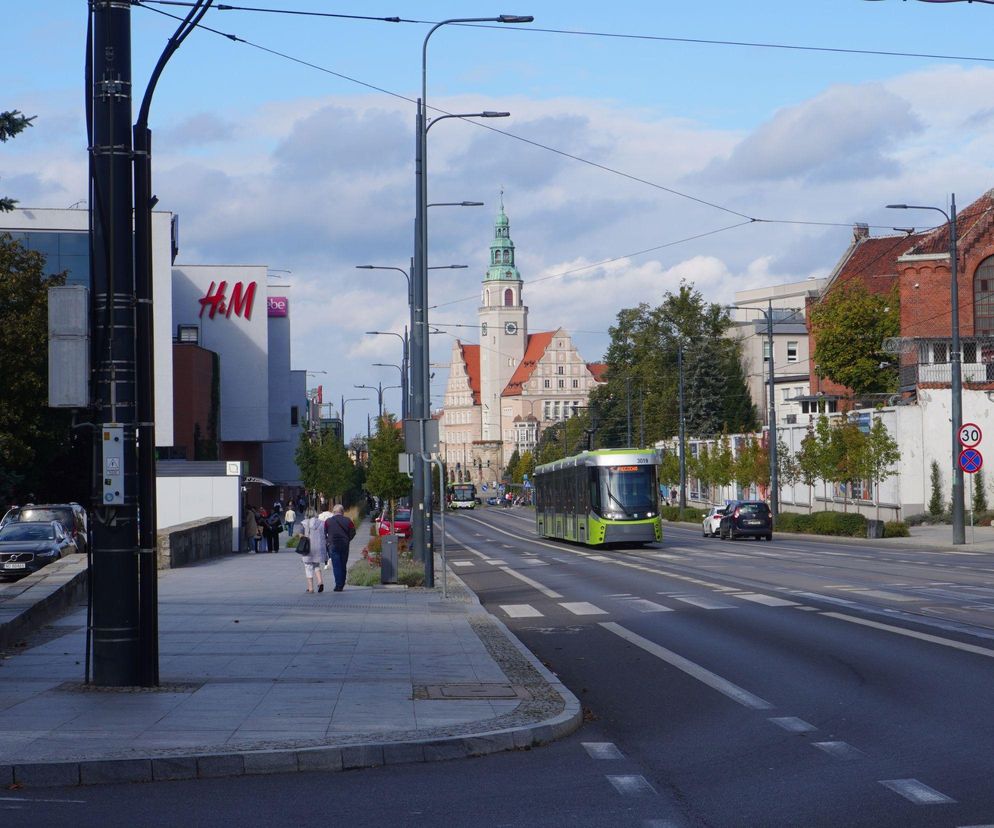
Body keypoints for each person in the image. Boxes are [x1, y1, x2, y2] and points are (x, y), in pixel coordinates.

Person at [324, 504, 356, 592]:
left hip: (333, 544)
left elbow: (324, 532)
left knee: (336, 565)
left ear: (333, 512)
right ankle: (341, 583)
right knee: (343, 564)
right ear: (342, 512)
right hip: (344, 545)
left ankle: (338, 585)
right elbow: (353, 532)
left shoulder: (328, 521)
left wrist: (327, 541)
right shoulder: (348, 521)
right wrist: (348, 539)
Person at [298, 509, 327, 593]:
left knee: (308, 567)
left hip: (308, 548)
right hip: (318, 547)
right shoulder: (321, 522)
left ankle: (310, 588)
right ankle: (320, 582)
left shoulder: (303, 523)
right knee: (316, 565)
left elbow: (300, 535)